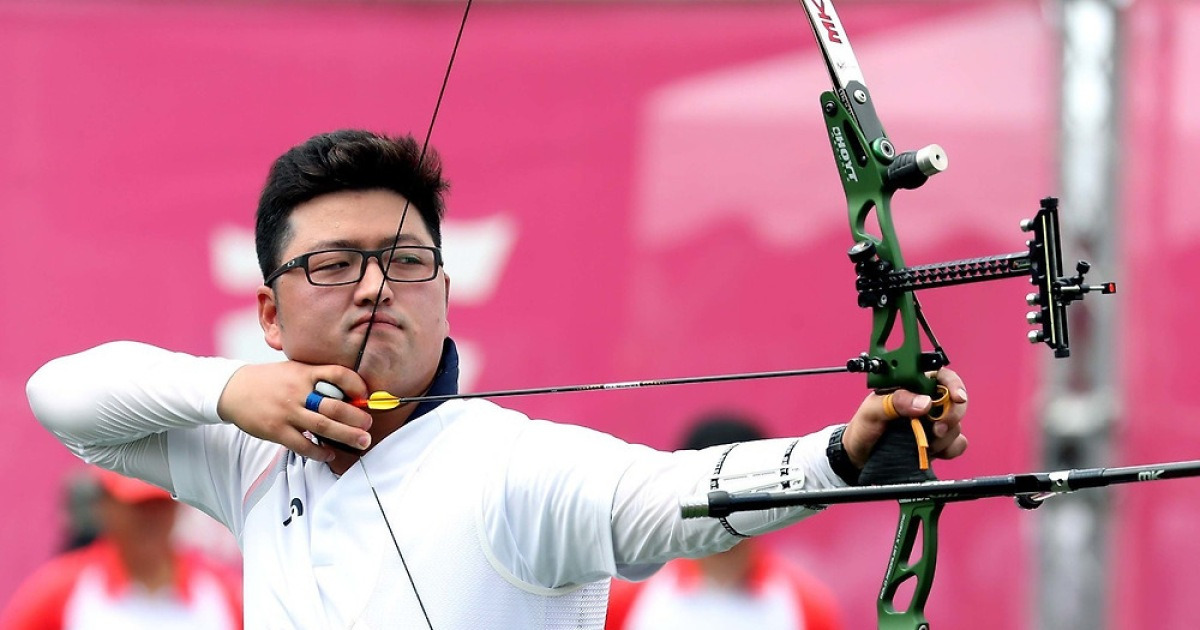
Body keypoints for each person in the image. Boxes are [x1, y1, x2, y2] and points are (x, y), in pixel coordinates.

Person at [26, 129, 969, 628]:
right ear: (269, 313)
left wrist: (841, 458)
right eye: (331, 264)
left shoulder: (516, 471)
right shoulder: (250, 456)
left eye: (403, 261)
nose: (372, 288)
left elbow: (670, 495)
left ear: (444, 289)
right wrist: (233, 391)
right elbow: (61, 397)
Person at [606, 413, 842, 630]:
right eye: (712, 492)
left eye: (741, 492)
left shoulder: (806, 606)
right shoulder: (628, 600)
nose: (725, 515)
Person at [0, 468, 242, 630]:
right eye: (137, 505)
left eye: (160, 503)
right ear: (104, 506)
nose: (150, 519)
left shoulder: (223, 593)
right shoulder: (62, 590)